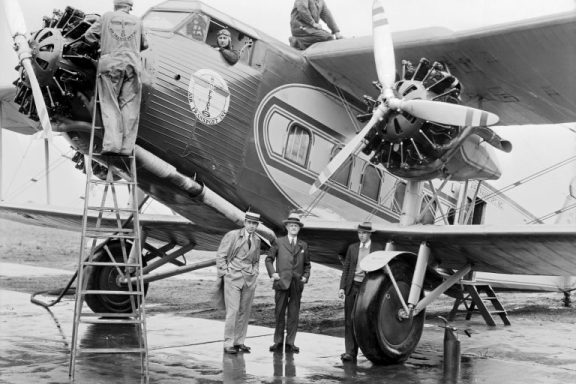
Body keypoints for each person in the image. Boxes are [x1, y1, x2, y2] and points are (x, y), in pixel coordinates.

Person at [83, 0, 148, 156]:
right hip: (132, 65)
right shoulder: (138, 22)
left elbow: (89, 36)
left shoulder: (106, 17)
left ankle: (112, 145)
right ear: (130, 6)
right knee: (130, 106)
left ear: (115, 4)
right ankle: (126, 148)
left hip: (110, 63)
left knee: (110, 104)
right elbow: (144, 44)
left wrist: (103, 43)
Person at [216, 211, 262, 354]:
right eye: (249, 223)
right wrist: (225, 272)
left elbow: (256, 260)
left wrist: (255, 272)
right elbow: (221, 255)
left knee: (244, 312)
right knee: (233, 311)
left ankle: (239, 342)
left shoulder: (257, 240)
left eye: (254, 224)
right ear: (244, 222)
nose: (252, 226)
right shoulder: (232, 235)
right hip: (233, 278)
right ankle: (228, 343)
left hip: (249, 280)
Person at [266, 213, 311, 353]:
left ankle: (290, 343)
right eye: (291, 225)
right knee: (279, 313)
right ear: (286, 227)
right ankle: (278, 342)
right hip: (281, 282)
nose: (293, 227)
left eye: (296, 226)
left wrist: (305, 276)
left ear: (299, 228)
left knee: (293, 314)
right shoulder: (278, 242)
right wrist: (273, 273)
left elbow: (307, 265)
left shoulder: (303, 245)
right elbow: (268, 259)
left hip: (297, 284)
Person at [338, 222, 383, 362]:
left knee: (366, 320)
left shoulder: (378, 248)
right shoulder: (352, 248)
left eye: (364, 233)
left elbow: (381, 270)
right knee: (349, 319)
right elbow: (346, 268)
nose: (361, 236)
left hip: (368, 287)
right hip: (353, 286)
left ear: (370, 234)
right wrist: (342, 287)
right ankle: (350, 352)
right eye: (359, 233)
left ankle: (372, 352)